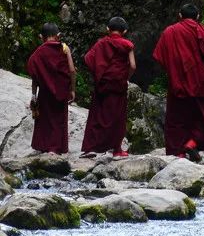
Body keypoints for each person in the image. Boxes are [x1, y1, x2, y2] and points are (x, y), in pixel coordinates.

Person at [153, 3, 204, 157]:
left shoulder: (170, 31)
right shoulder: (201, 29)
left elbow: (160, 57)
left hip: (178, 81)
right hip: (199, 80)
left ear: (180, 16)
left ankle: (179, 153)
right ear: (197, 16)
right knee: (201, 115)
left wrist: (174, 69)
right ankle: (192, 143)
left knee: (176, 118)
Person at [81, 17, 136, 157]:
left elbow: (88, 59)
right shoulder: (127, 44)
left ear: (107, 29)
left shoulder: (101, 44)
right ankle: (116, 149)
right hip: (118, 85)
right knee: (117, 117)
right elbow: (133, 65)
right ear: (125, 31)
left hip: (103, 84)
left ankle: (91, 148)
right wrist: (126, 78)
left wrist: (98, 73)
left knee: (97, 115)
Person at [27, 23, 75, 153]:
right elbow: (71, 70)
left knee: (46, 120)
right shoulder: (64, 49)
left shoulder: (38, 53)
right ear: (58, 36)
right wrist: (72, 89)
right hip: (61, 91)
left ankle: (45, 147)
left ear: (41, 37)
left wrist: (33, 95)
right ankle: (57, 148)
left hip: (45, 93)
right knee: (59, 120)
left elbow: (35, 76)